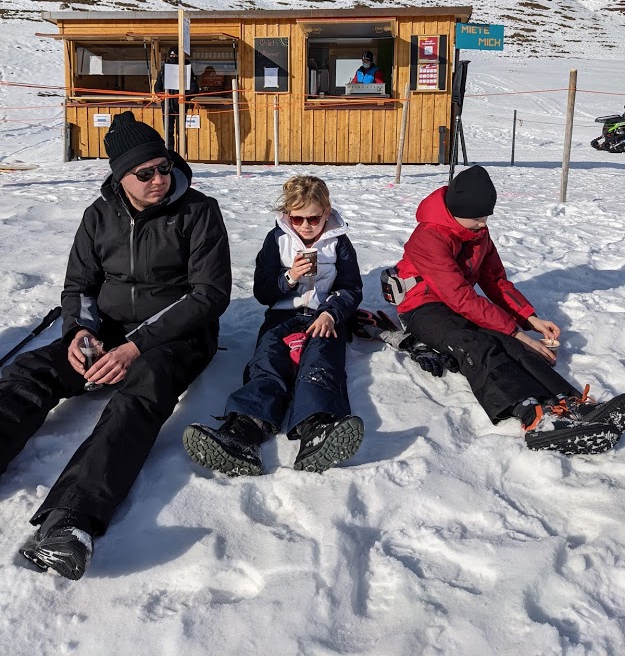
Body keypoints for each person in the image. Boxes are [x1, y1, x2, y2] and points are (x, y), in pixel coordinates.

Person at [0, 111, 231, 580]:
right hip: (108, 328)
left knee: (141, 392)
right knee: (30, 371)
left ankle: (73, 518)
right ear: (120, 176)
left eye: (164, 167)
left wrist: (135, 346)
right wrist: (79, 332)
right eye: (145, 173)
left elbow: (208, 295)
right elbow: (79, 286)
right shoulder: (98, 215)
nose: (159, 179)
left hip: (176, 335)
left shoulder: (198, 211)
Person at [393, 165, 625, 456]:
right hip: (421, 307)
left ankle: (570, 401)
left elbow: (494, 279)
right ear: (457, 212)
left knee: (508, 342)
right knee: (475, 344)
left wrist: (529, 319)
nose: (483, 224)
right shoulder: (429, 237)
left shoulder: (477, 232)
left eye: (486, 217)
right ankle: (533, 416)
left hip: (458, 303)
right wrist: (519, 333)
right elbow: (460, 296)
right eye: (477, 218)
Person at [183, 175, 364, 476]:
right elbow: (263, 291)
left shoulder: (338, 243)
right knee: (267, 363)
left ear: (327, 211)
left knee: (321, 363)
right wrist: (289, 277)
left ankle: (317, 426)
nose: (306, 226)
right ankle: (242, 432)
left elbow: (351, 288)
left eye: (313, 218)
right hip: (282, 315)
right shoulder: (277, 240)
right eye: (297, 218)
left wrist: (332, 313)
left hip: (323, 316)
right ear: (287, 214)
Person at [154, 46, 199, 150]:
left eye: (175, 55)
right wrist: (162, 96)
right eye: (172, 56)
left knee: (181, 131)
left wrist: (185, 97)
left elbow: (194, 88)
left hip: (181, 105)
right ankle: (169, 153)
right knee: (168, 131)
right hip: (167, 105)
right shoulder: (164, 69)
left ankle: (182, 153)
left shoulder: (186, 68)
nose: (173, 57)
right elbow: (157, 87)